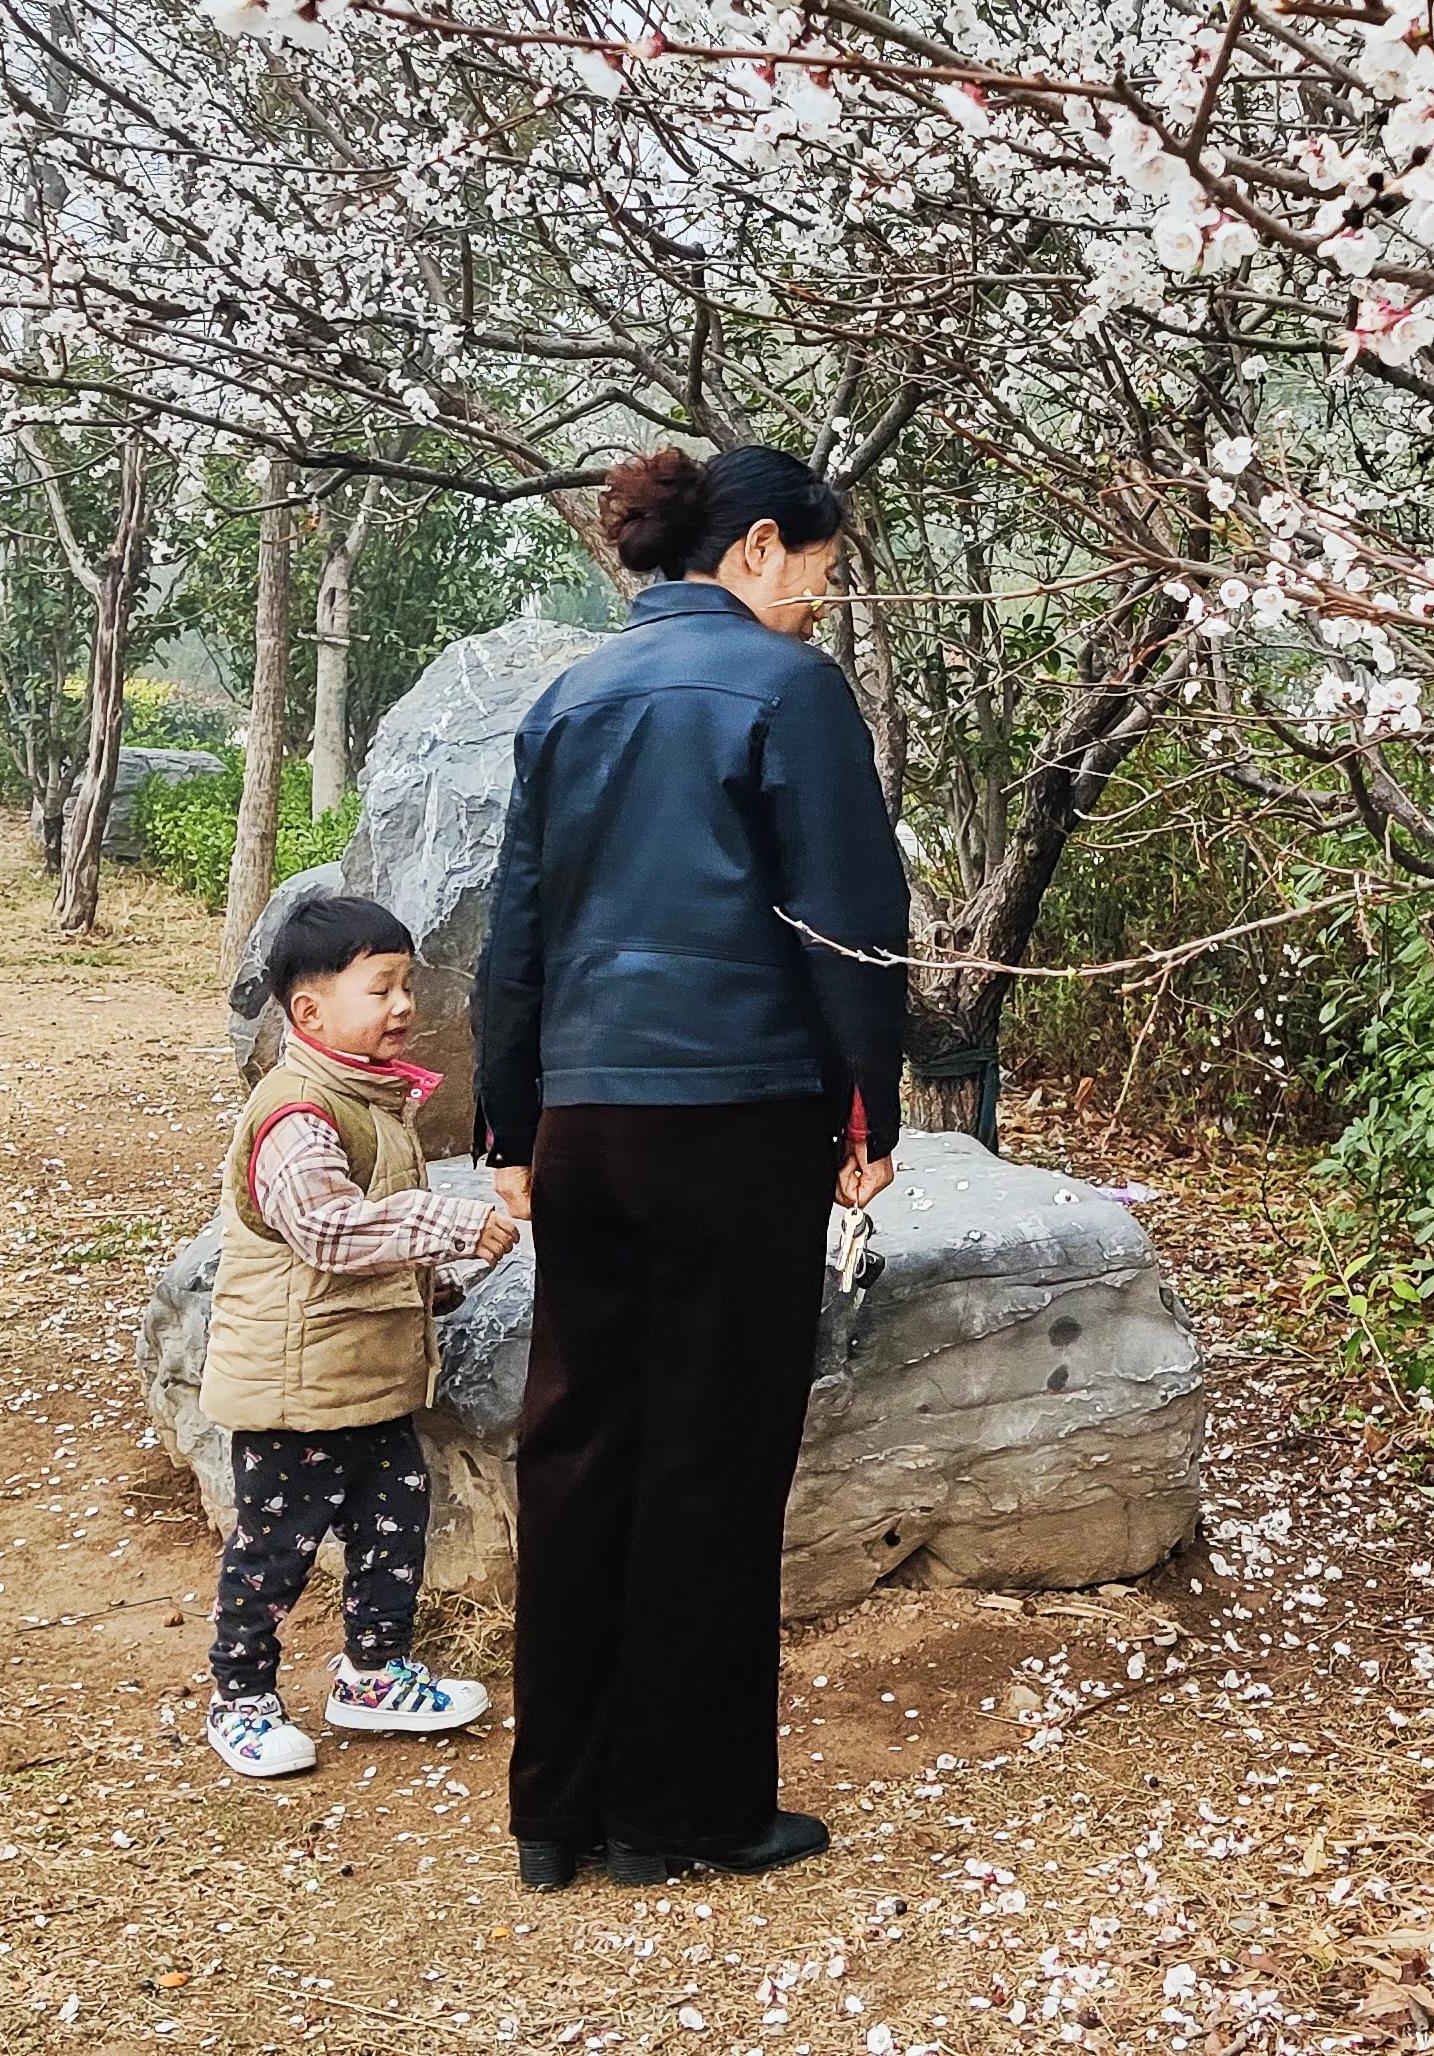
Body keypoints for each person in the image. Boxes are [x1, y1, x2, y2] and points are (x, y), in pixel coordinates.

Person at [476, 443, 908, 1889]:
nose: (815, 612)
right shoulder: (787, 694)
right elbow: (848, 922)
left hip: (589, 1119)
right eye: (818, 582)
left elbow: (517, 933)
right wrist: (870, 1118)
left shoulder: (570, 697)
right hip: (738, 1113)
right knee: (712, 1458)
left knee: (582, 1445)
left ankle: (558, 1812)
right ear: (761, 548)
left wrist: (508, 1127)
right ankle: (686, 1810)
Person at [197, 893, 522, 1779]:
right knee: (273, 1550)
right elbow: (329, 1232)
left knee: (394, 1527)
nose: (404, 1007)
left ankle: (372, 1675)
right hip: (292, 1391)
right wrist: (448, 1223)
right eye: (381, 988)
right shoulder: (297, 1112)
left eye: (408, 985)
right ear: (310, 1010)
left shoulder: (374, 1104)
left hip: (367, 1383)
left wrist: (464, 1267)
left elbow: (388, 1262)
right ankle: (242, 1697)